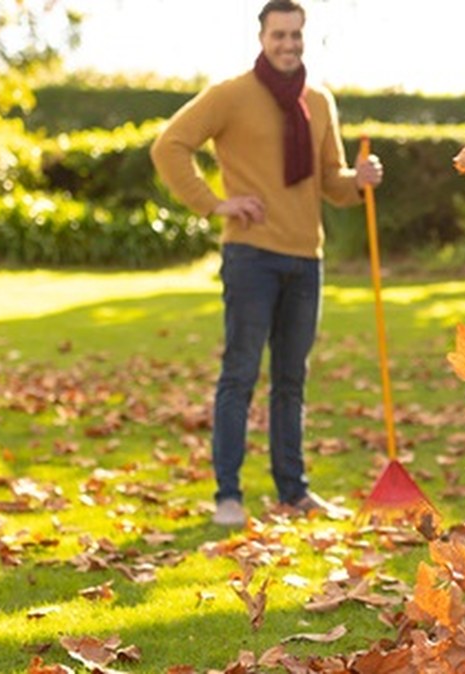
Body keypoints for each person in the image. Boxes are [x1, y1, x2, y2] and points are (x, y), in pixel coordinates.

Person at [151, 0, 383, 527]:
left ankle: (293, 491)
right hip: (251, 256)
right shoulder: (231, 94)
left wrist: (359, 181)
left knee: (292, 380)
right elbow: (170, 145)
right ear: (262, 37)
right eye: (279, 34)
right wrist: (214, 203)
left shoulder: (319, 101)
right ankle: (227, 495)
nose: (288, 44)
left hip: (306, 259)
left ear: (305, 37)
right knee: (239, 375)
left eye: (296, 35)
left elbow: (332, 182)